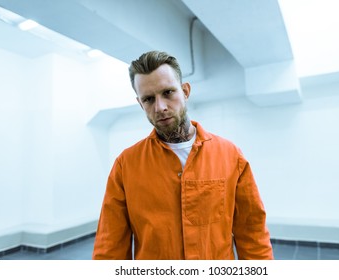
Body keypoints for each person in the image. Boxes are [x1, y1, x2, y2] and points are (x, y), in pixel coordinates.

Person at [92, 50, 274, 260]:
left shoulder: (231, 156)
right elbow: (110, 247)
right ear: (140, 104)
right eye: (149, 99)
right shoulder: (126, 165)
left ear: (185, 91)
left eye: (168, 92)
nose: (160, 107)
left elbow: (252, 234)